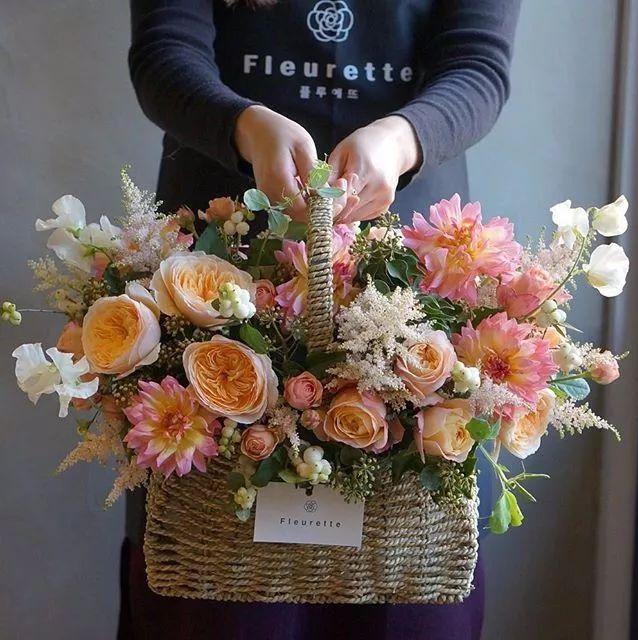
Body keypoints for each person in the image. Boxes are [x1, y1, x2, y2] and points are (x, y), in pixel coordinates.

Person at [120, 1, 521, 638]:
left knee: (407, 588)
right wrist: (244, 126)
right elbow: (165, 50)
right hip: (217, 280)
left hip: (408, 288)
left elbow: (478, 63)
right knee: (213, 590)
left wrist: (400, 139)